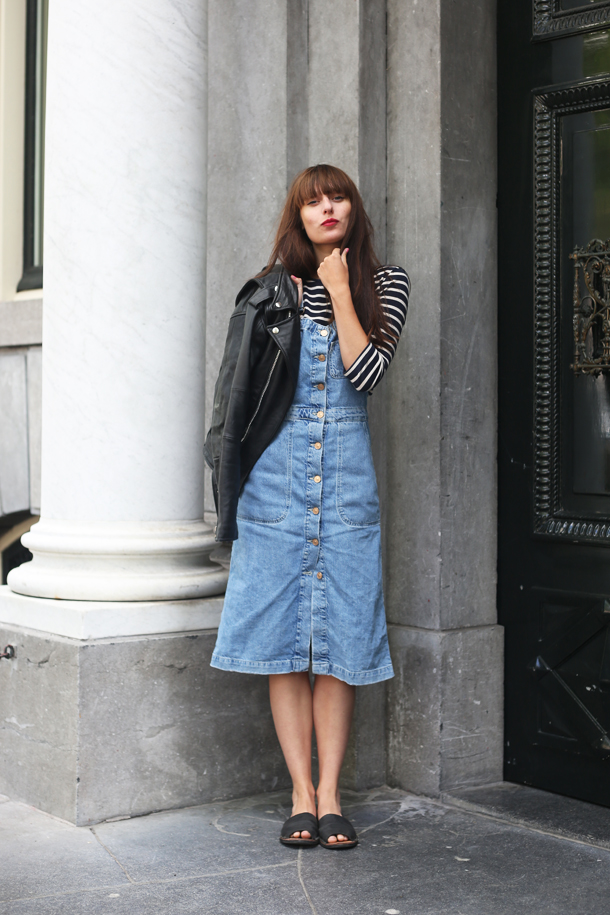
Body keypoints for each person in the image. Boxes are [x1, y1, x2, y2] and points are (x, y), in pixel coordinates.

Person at [210, 164, 410, 849]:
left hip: (348, 486)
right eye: (313, 201)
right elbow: (239, 398)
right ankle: (299, 791)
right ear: (297, 216)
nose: (328, 208)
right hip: (276, 486)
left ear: (354, 209)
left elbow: (367, 372)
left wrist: (338, 290)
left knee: (341, 646)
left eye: (339, 197)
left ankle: (331, 793)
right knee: (286, 648)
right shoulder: (270, 293)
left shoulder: (386, 284)